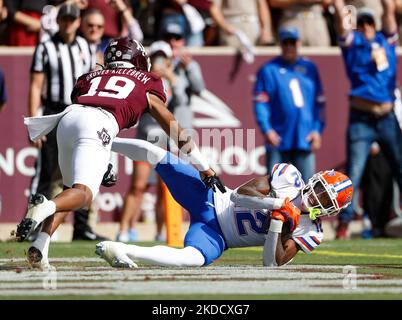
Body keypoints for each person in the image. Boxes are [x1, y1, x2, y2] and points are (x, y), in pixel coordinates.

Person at [17, 36, 224, 270]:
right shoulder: (147, 80)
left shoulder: (89, 76)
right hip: (97, 123)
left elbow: (89, 107)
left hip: (67, 119)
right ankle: (45, 206)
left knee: (70, 189)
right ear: (137, 59)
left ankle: (41, 246)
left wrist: (102, 160)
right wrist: (203, 165)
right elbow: (172, 125)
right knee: (83, 195)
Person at [95, 138, 353, 268]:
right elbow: (239, 194)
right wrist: (276, 203)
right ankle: (102, 142)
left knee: (192, 259)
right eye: (320, 189)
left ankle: (123, 250)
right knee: (159, 155)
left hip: (218, 236)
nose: (316, 197)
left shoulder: (311, 230)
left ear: (331, 210)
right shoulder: (289, 177)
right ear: (315, 180)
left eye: (324, 199)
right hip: (211, 197)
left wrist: (280, 224)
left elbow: (270, 265)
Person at [26, 2, 105, 242]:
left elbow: (92, 80)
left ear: (78, 22)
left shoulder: (85, 46)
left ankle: (81, 228)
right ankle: (32, 226)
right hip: (53, 110)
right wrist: (36, 124)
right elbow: (36, 85)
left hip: (79, 109)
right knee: (47, 174)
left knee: (83, 171)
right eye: (65, 20)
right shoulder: (45, 47)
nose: (68, 24)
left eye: (72, 20)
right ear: (58, 21)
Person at [333, 0, 402, 239]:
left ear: (375, 24)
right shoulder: (354, 44)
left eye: (369, 21)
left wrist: (386, 5)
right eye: (361, 22)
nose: (365, 25)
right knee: (354, 172)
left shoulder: (386, 41)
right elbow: (341, 25)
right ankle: (344, 222)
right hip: (361, 119)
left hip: (386, 117)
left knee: (400, 168)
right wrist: (337, 3)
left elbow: (390, 13)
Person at [116, 40, 176, 242]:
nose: (159, 61)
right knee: (138, 185)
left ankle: (161, 231)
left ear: (169, 60)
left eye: (163, 57)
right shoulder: (143, 78)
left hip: (165, 140)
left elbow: (180, 101)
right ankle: (124, 230)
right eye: (156, 56)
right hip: (145, 137)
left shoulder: (175, 77)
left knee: (164, 188)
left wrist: (170, 77)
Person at [253, 26, 326, 183]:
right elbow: (261, 102)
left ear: (298, 43)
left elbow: (319, 103)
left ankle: (308, 210)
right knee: (275, 188)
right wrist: (267, 129)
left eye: (292, 42)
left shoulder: (310, 68)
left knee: (308, 189)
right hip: (278, 138)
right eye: (285, 42)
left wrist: (317, 130)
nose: (289, 47)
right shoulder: (269, 70)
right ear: (280, 44)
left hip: (304, 137)